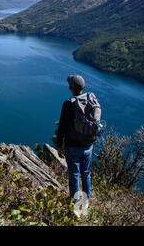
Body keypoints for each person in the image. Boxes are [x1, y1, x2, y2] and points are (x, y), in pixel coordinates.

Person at [55, 75, 100, 210]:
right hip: (88, 145)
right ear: (84, 88)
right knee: (86, 173)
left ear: (70, 88)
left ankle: (74, 203)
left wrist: (59, 145)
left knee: (74, 173)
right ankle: (86, 202)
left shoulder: (69, 104)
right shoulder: (91, 100)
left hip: (72, 145)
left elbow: (62, 126)